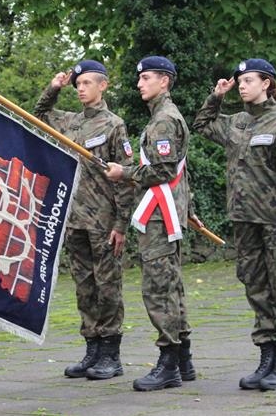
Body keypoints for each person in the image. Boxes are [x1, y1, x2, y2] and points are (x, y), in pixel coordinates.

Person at [192, 58, 276, 391]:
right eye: (239, 81)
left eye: (248, 80)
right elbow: (202, 124)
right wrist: (217, 96)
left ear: (266, 84)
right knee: (255, 286)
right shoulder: (237, 122)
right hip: (244, 220)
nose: (241, 85)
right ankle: (266, 357)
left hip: (274, 221)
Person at [34, 60, 134, 380]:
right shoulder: (70, 121)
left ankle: (110, 354)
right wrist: (54, 88)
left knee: (108, 286)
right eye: (77, 84)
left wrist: (121, 224)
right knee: (84, 287)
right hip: (74, 218)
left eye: (87, 83)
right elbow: (39, 115)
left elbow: (126, 177)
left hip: (104, 220)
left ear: (103, 86)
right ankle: (92, 349)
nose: (80, 88)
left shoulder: (114, 125)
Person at [104, 56, 198, 391]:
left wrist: (124, 172)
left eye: (146, 78)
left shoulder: (164, 120)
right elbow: (179, 168)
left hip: (160, 215)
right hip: (165, 212)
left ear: (164, 81)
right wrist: (189, 206)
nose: (139, 83)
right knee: (171, 285)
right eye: (140, 78)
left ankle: (168, 363)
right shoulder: (163, 117)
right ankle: (183, 361)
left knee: (159, 288)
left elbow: (164, 170)